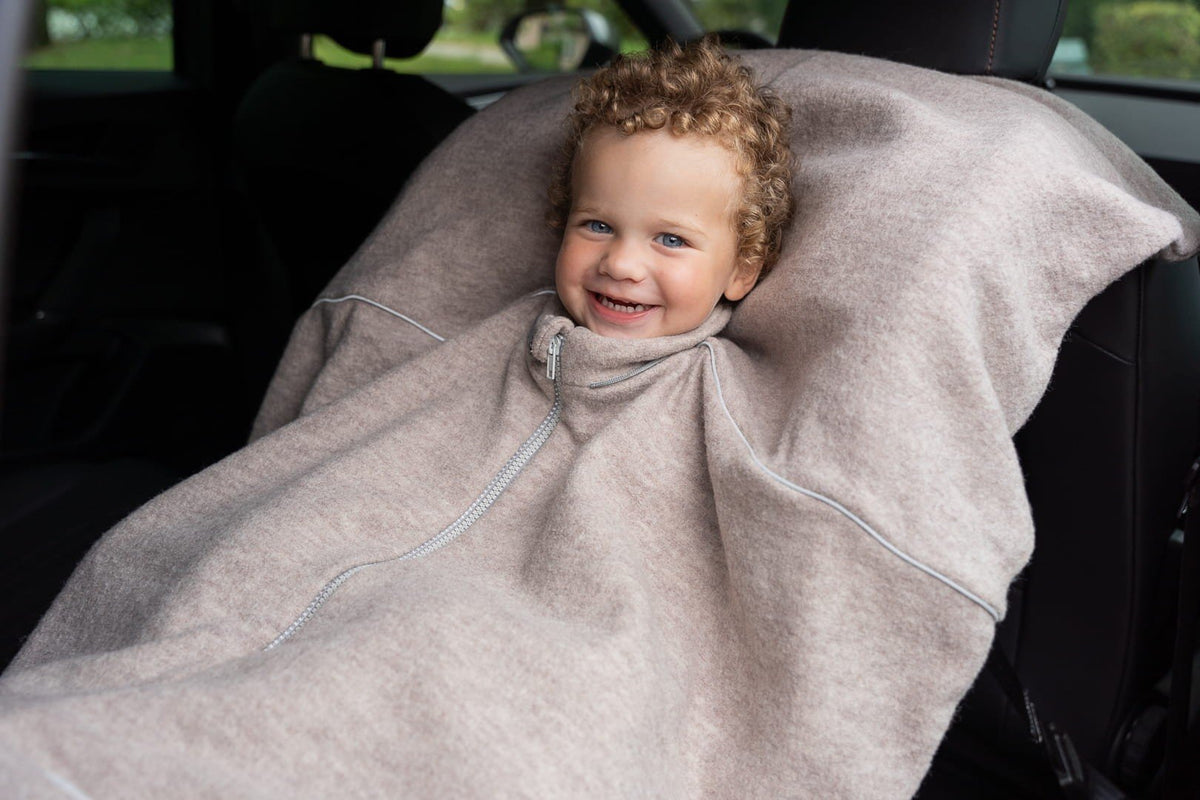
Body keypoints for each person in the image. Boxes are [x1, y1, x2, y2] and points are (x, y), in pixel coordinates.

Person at [547, 36, 794, 339]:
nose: (621, 265)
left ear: (741, 271)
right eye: (598, 226)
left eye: (672, 240)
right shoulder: (514, 331)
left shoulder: (711, 370)